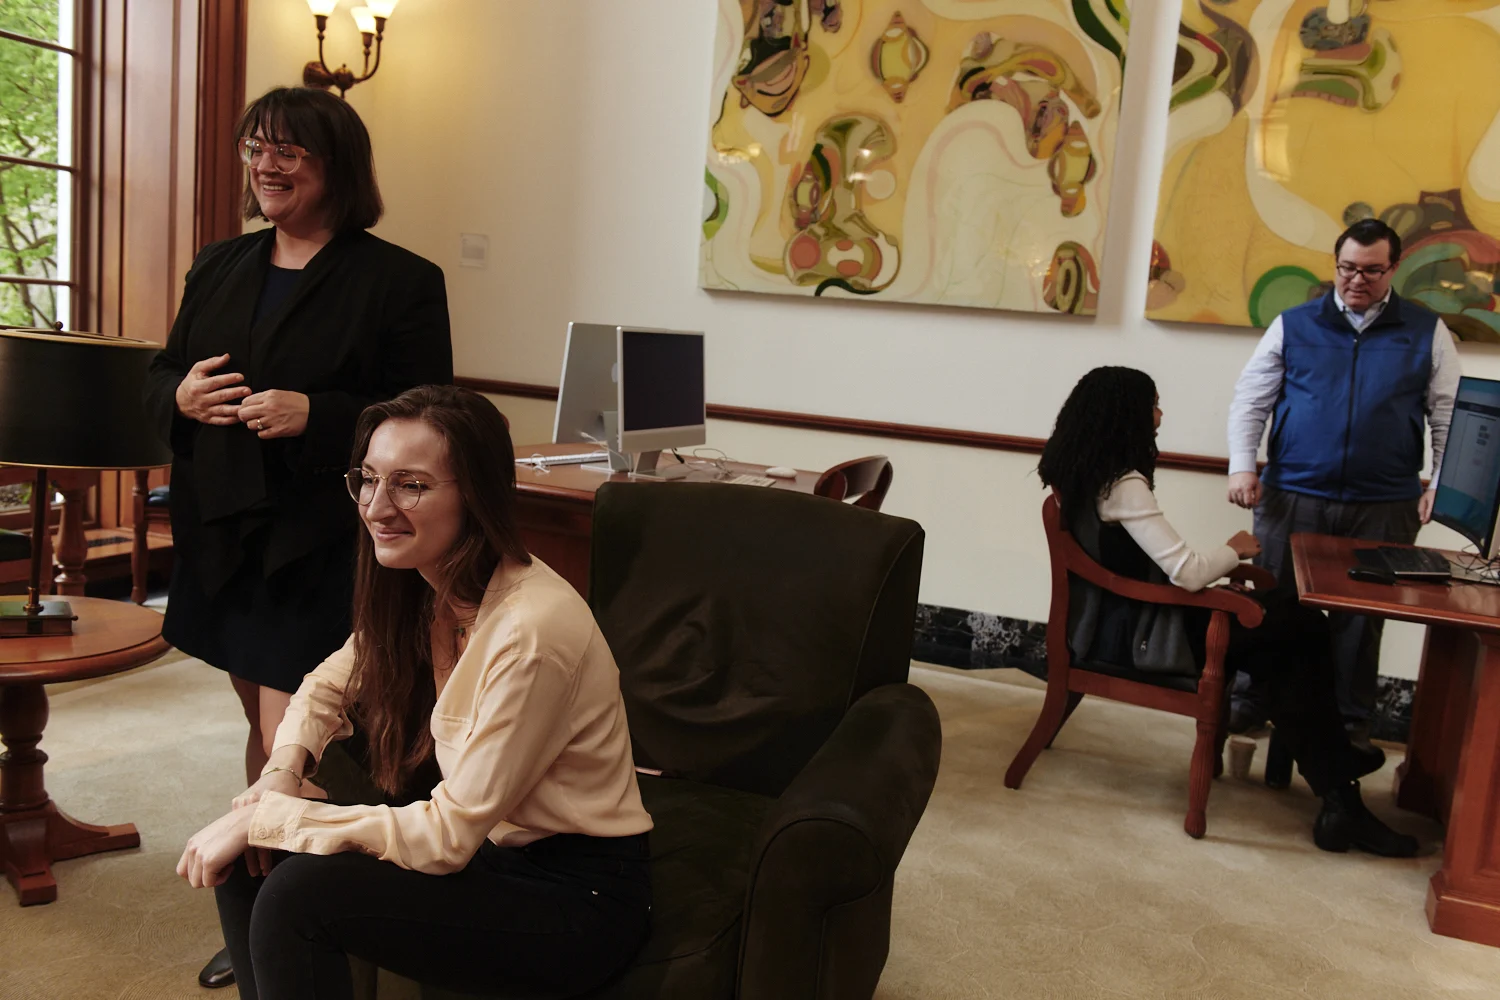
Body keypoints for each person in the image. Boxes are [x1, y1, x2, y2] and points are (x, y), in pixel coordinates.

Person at [176, 385, 654, 999]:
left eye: (411, 485)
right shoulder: (427, 584)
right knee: (253, 862)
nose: (377, 507)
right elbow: (326, 685)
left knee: (295, 890)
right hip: (495, 855)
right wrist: (280, 774)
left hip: (576, 896)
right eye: (368, 479)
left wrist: (283, 816)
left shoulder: (531, 630)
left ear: (475, 494)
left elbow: (448, 838)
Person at [144, 86, 453, 988]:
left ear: (338, 170)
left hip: (323, 538)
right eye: (255, 150)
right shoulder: (219, 262)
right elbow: (167, 369)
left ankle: (287, 916)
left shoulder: (400, 278)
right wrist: (178, 396)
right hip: (223, 532)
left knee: (302, 732)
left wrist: (321, 414)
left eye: (289, 152)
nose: (266, 166)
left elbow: (429, 413)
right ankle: (267, 897)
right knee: (266, 721)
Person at [1038, 366, 1417, 857]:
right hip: (1142, 638)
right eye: (1153, 403)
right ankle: (1338, 787)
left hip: (1126, 623)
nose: (1159, 414)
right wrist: (1235, 548)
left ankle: (1336, 787)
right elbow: (1189, 573)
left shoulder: (1085, 471)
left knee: (1287, 625)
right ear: (1125, 413)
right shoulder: (1123, 483)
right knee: (1297, 628)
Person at [1225, 219, 1461, 742]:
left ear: (1393, 268)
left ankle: (1349, 720)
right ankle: (1251, 699)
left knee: (1361, 620)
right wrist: (1243, 464)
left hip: (1384, 502)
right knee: (1272, 601)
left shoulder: (1426, 331)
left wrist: (1438, 485)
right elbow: (1252, 399)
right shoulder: (1294, 324)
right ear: (1336, 264)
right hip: (1293, 494)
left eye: (1372, 271)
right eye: (1348, 268)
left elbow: (1448, 415)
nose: (1357, 280)